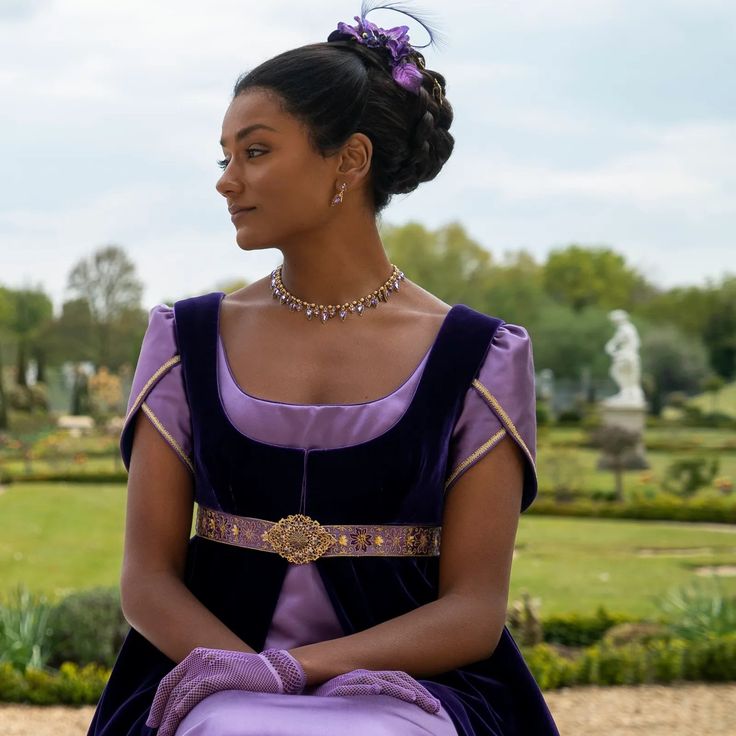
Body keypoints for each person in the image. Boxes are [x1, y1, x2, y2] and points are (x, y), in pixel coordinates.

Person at [87, 3, 560, 734]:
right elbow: (147, 581)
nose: (226, 180)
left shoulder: (479, 357)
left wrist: (295, 672)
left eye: (255, 151)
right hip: (207, 679)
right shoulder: (185, 339)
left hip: (415, 691)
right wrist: (246, 675)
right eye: (225, 155)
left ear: (351, 159)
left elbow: (474, 610)